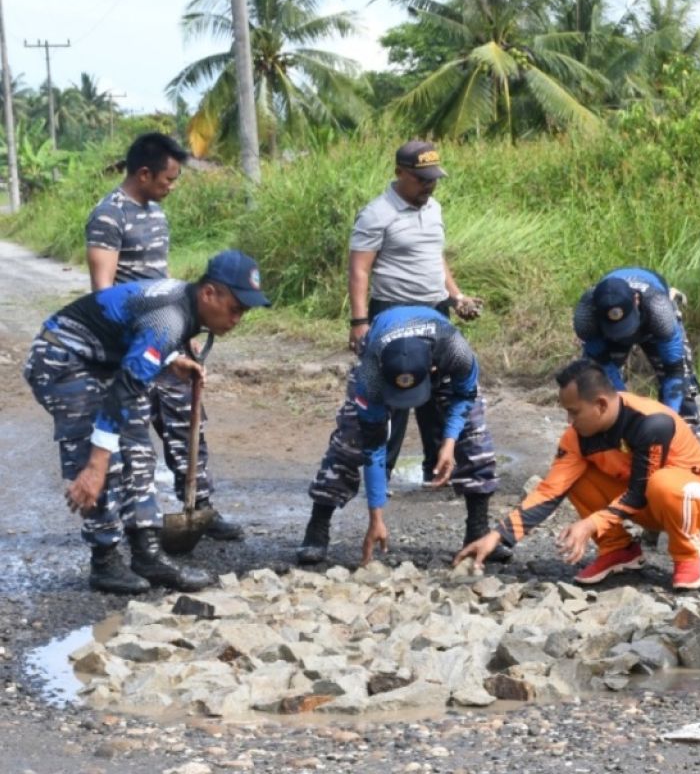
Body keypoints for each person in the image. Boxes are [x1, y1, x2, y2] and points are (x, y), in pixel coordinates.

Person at [23, 250, 271, 594]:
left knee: (138, 449)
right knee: (98, 457)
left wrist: (169, 359)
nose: (237, 318)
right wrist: (96, 464)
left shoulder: (182, 306)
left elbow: (134, 331)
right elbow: (124, 389)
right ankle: (105, 561)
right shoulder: (170, 319)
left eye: (244, 312)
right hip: (62, 358)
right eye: (235, 308)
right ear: (209, 293)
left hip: (103, 358)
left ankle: (147, 553)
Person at [308, 141, 489, 539]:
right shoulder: (378, 214)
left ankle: (435, 467)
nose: (430, 187)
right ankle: (379, 478)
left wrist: (456, 296)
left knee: (436, 400)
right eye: (422, 180)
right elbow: (359, 271)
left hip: (434, 314)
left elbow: (435, 257)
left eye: (434, 180)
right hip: (389, 315)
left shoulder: (434, 209)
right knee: (388, 402)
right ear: (400, 173)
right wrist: (358, 322)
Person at [85, 132, 243, 541]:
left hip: (168, 333)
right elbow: (104, 294)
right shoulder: (108, 216)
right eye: (168, 179)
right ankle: (138, 526)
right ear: (143, 173)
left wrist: (185, 332)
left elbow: (160, 275)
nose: (171, 186)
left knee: (186, 422)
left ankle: (199, 505)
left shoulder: (156, 213)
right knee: (134, 434)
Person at [454, 359, 700, 590]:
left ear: (601, 405)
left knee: (662, 483)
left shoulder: (651, 423)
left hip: (695, 500)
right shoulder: (577, 437)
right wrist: (496, 536)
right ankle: (618, 550)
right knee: (575, 477)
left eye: (574, 412)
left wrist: (591, 524)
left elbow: (640, 493)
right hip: (645, 503)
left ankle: (688, 553)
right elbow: (550, 491)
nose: (569, 421)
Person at [299, 306, 503, 565]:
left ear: (431, 370)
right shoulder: (371, 371)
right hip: (382, 349)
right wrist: (376, 518)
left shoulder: (455, 349)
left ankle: (478, 531)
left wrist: (449, 442)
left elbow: (464, 396)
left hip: (440, 359)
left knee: (474, 434)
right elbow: (374, 444)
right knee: (350, 442)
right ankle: (317, 529)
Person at [573, 268, 700, 438]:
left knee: (684, 378)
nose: (625, 334)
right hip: (606, 333)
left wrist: (668, 418)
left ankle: (688, 428)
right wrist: (627, 412)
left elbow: (675, 370)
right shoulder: (587, 316)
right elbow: (604, 368)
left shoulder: (659, 309)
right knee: (596, 381)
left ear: (636, 300)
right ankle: (602, 433)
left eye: (626, 325)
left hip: (652, 323)